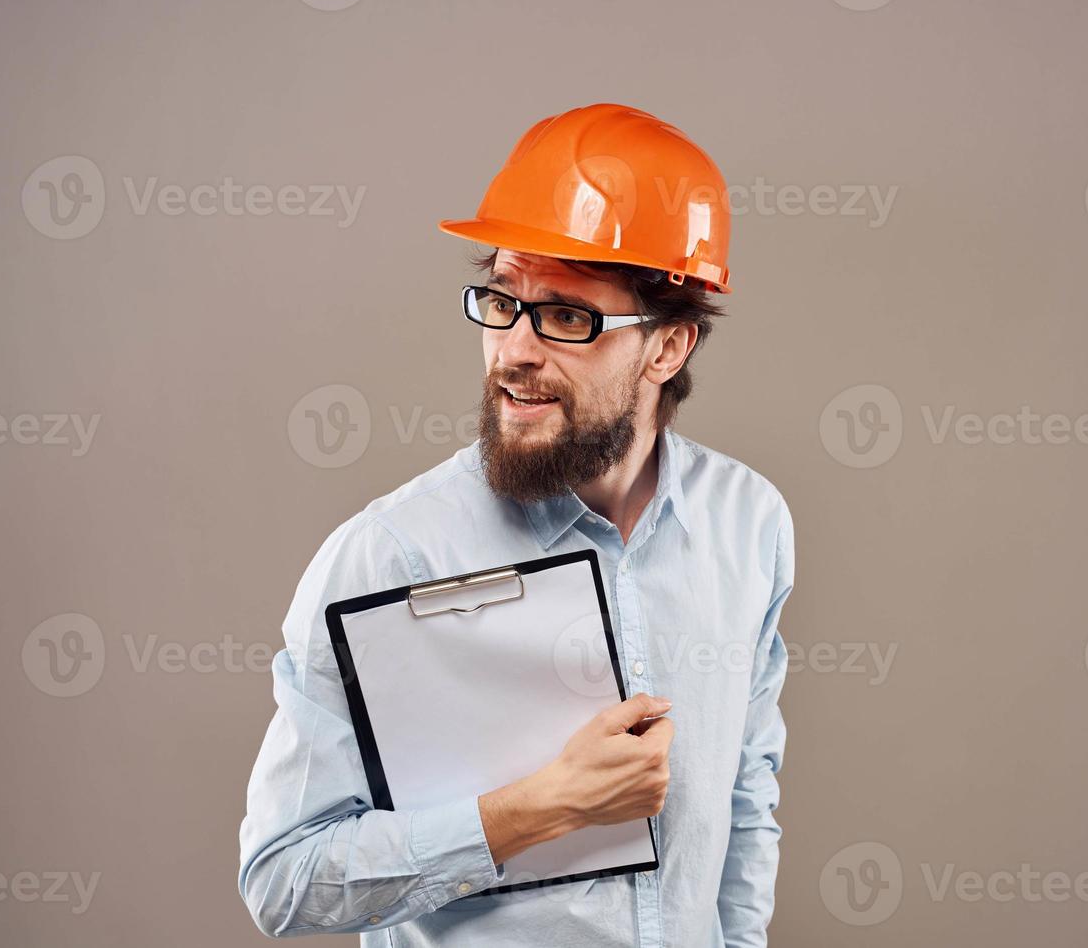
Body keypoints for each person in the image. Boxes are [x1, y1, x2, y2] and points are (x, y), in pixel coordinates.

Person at [238, 103, 795, 947]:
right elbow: (283, 879)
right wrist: (543, 806)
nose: (514, 352)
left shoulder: (748, 524)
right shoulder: (391, 555)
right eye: (501, 301)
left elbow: (746, 795)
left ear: (668, 348)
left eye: (568, 317)